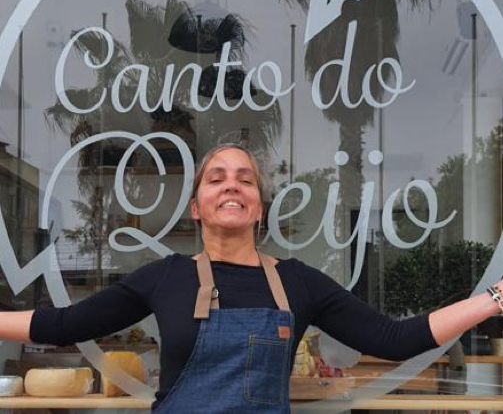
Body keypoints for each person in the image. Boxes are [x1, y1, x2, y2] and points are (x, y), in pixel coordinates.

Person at [1, 144, 503, 413]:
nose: (232, 186)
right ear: (196, 207)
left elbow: (394, 339)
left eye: (245, 179)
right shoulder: (165, 278)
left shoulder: (298, 282)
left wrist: (495, 298)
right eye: (217, 178)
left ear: (259, 207)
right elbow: (63, 325)